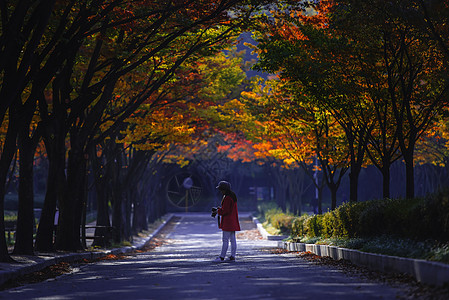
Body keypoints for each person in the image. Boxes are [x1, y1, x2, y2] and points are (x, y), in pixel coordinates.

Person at [213, 181, 241, 262]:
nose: (220, 191)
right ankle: (232, 256)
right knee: (232, 239)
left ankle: (222, 257)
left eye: (221, 190)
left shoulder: (227, 198)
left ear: (224, 189)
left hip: (228, 222)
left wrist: (218, 211)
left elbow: (225, 210)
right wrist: (219, 209)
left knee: (225, 240)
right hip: (233, 221)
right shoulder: (232, 196)